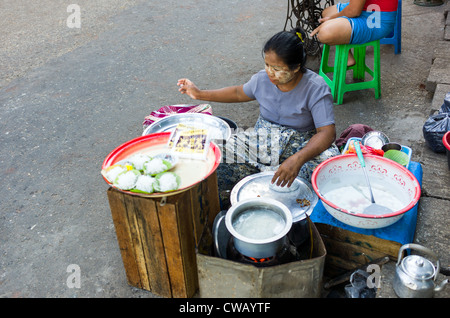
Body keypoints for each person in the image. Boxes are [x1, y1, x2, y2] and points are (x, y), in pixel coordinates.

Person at [177, 28, 340, 206]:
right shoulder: (262, 79)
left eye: (277, 68)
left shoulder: (315, 87)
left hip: (302, 144)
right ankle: (217, 200)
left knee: (328, 170)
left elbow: (326, 132)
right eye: (267, 65)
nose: (270, 72)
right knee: (215, 152)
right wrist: (199, 94)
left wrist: (298, 159)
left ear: (296, 67)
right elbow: (239, 92)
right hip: (264, 139)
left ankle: (279, 201)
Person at [310, 0, 398, 65]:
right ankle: (348, 57)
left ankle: (344, 42)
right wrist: (332, 19)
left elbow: (354, 11)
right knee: (327, 12)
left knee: (324, 34)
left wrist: (332, 19)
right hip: (368, 8)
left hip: (378, 18)